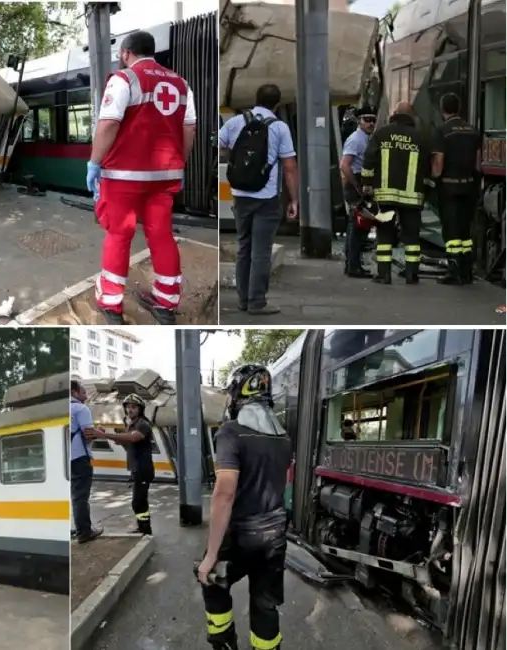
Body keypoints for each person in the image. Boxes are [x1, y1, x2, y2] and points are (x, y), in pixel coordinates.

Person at [86, 30, 197, 326]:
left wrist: (94, 163)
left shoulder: (124, 79)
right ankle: (166, 302)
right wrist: (178, 165)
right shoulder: (181, 84)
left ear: (125, 53)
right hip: (164, 177)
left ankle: (110, 304)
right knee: (161, 234)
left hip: (124, 177)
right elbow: (190, 130)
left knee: (119, 234)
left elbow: (109, 123)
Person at [197, 364, 292, 650]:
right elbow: (285, 483)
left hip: (240, 536)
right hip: (275, 535)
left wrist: (211, 554)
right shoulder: (284, 437)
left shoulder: (231, 432)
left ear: (239, 394)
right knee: (265, 604)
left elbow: (224, 494)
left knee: (211, 581)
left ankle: (224, 643)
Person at [219, 84, 299, 315]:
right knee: (261, 252)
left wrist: (237, 160)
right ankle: (257, 302)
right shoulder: (279, 127)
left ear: (255, 99)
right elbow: (290, 166)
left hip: (240, 195)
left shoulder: (235, 122)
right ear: (277, 104)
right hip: (267, 197)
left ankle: (243, 300)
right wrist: (294, 200)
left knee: (244, 247)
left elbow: (219, 147)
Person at [361, 101, 430, 285]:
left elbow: (369, 160)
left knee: (384, 234)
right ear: (411, 116)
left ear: (394, 113)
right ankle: (411, 275)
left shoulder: (382, 133)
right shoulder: (419, 137)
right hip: (412, 197)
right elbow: (427, 166)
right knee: (412, 237)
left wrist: (367, 184)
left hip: (385, 195)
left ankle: (384, 275)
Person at [431, 92, 482, 285]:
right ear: (458, 108)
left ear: (443, 108)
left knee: (451, 232)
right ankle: (467, 271)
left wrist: (434, 178)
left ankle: (453, 270)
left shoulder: (442, 131)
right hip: (469, 187)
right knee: (464, 232)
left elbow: (438, 165)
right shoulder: (472, 130)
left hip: (449, 187)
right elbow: (478, 165)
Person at [90, 393, 155, 535]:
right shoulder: (131, 424)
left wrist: (105, 435)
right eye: (128, 407)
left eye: (133, 407)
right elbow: (129, 442)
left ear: (140, 409)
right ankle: (142, 527)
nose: (130, 410)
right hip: (136, 468)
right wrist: (120, 441)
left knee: (139, 502)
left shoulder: (142, 424)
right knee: (138, 502)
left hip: (143, 469)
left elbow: (133, 437)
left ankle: (145, 530)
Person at [339, 105, 377, 278]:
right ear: (359, 121)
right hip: (356, 183)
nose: (370, 123)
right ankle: (354, 266)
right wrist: (357, 187)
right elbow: (344, 165)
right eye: (366, 120)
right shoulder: (356, 139)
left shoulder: (365, 139)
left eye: (373, 120)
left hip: (358, 183)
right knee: (358, 227)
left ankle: (352, 264)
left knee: (356, 226)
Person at [70, 380, 104, 543]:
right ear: (74, 392)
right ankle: (84, 531)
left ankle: (76, 528)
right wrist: (101, 433)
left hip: (67, 460)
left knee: (74, 496)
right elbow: (88, 434)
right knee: (81, 497)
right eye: (83, 392)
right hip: (79, 458)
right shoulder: (80, 408)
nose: (86, 396)